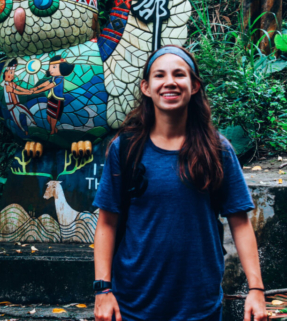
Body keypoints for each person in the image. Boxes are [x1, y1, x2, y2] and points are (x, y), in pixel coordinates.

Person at [92, 45, 267, 321]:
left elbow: (240, 222)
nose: (170, 82)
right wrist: (103, 290)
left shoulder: (216, 149)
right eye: (159, 75)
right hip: (134, 304)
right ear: (146, 87)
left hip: (199, 305)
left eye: (179, 74)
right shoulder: (125, 148)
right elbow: (107, 223)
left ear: (194, 85)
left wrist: (256, 289)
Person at [29, 55, 74, 135]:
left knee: (53, 117)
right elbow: (46, 83)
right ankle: (54, 129)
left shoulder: (59, 79)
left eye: (54, 67)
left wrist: (37, 91)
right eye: (50, 67)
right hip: (51, 99)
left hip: (57, 100)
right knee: (48, 117)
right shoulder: (54, 78)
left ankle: (53, 130)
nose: (50, 69)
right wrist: (37, 87)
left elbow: (49, 86)